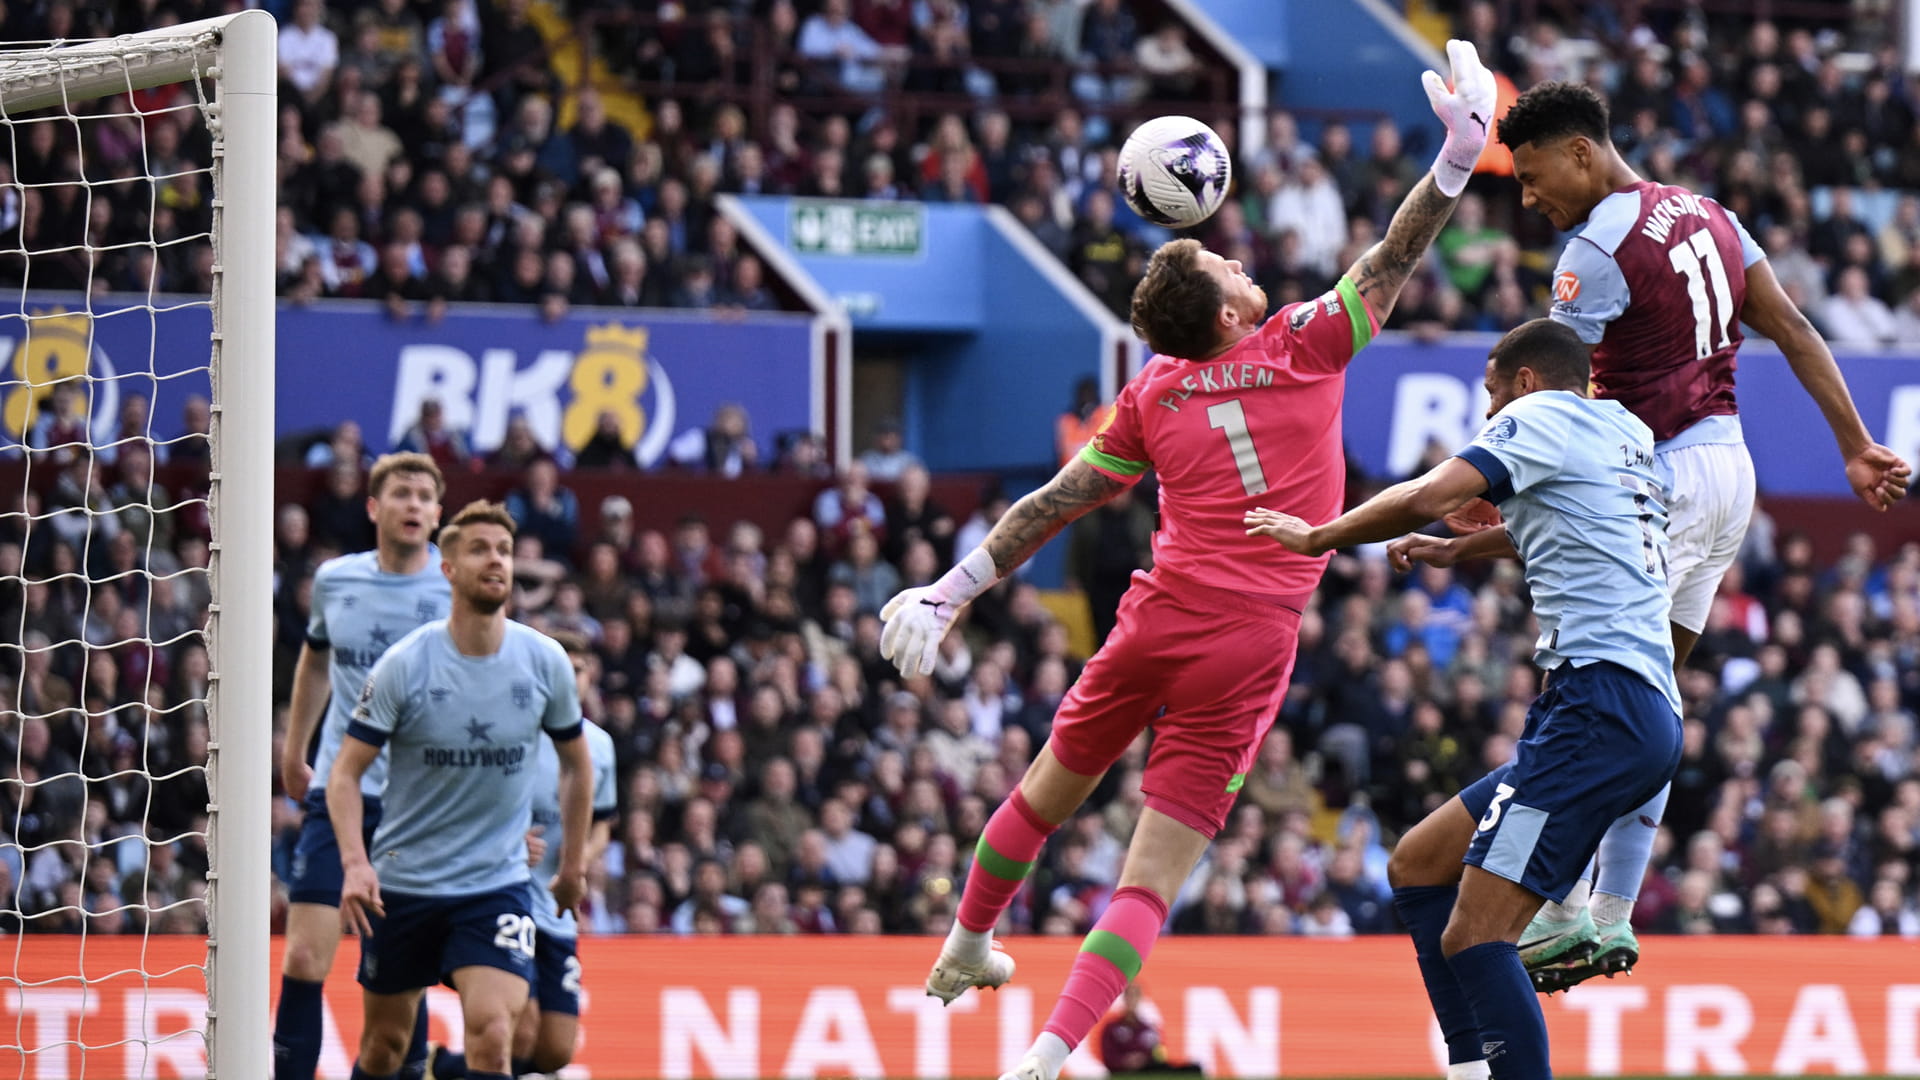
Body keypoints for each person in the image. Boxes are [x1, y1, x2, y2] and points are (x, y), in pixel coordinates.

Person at [876, 40, 1496, 1080]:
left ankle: (970, 938)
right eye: (1231, 267)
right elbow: (1393, 258)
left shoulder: (1154, 393)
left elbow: (1056, 502)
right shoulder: (1303, 341)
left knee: (1041, 795)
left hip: (1157, 618)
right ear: (1228, 315)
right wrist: (1453, 162)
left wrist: (952, 592)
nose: (1246, 264)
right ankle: (1046, 1050)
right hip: (1247, 645)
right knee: (1152, 874)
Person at [1491, 79, 1910, 993]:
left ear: (1580, 152)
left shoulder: (1593, 250)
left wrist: (1490, 492)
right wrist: (1854, 445)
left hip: (1663, 478)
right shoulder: (1713, 216)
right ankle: (1611, 913)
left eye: (1530, 178)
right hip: (1731, 473)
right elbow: (1793, 327)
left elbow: (1557, 399)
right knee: (1655, 702)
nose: (1529, 199)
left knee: (1597, 701)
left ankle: (1557, 906)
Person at [1247, 318, 1684, 1080]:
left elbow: (1431, 491)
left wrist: (1321, 536)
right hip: (1635, 709)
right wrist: (1458, 549)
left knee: (1476, 936)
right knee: (1417, 864)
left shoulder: (1538, 414)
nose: (1488, 415)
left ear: (1522, 381)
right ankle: (1472, 1069)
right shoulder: (1624, 432)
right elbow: (1577, 527)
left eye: (1489, 394)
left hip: (1595, 709)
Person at [328, 501, 591, 1080]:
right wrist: (354, 863)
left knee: (495, 1038)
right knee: (386, 1047)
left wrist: (573, 864)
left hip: (494, 886)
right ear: (447, 568)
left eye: (503, 549)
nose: (495, 559)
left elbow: (577, 763)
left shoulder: (545, 661)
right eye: (479, 549)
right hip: (405, 884)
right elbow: (345, 773)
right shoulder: (405, 664)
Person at [274, 453, 449, 1080]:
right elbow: (316, 662)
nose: (413, 506)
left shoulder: (457, 591)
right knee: (302, 957)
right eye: (401, 494)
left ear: (437, 515)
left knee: (404, 975)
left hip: (422, 807)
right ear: (374, 509)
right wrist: (294, 751)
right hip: (339, 791)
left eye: (425, 497)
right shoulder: (336, 581)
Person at [427, 636, 618, 1079]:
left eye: (580, 670)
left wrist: (576, 857)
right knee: (521, 1030)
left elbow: (603, 825)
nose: (571, 679)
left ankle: (446, 1067)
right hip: (506, 897)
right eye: (563, 669)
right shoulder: (511, 733)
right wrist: (510, 842)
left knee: (556, 1050)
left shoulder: (600, 746)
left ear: (591, 679)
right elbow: (466, 809)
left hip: (558, 906)